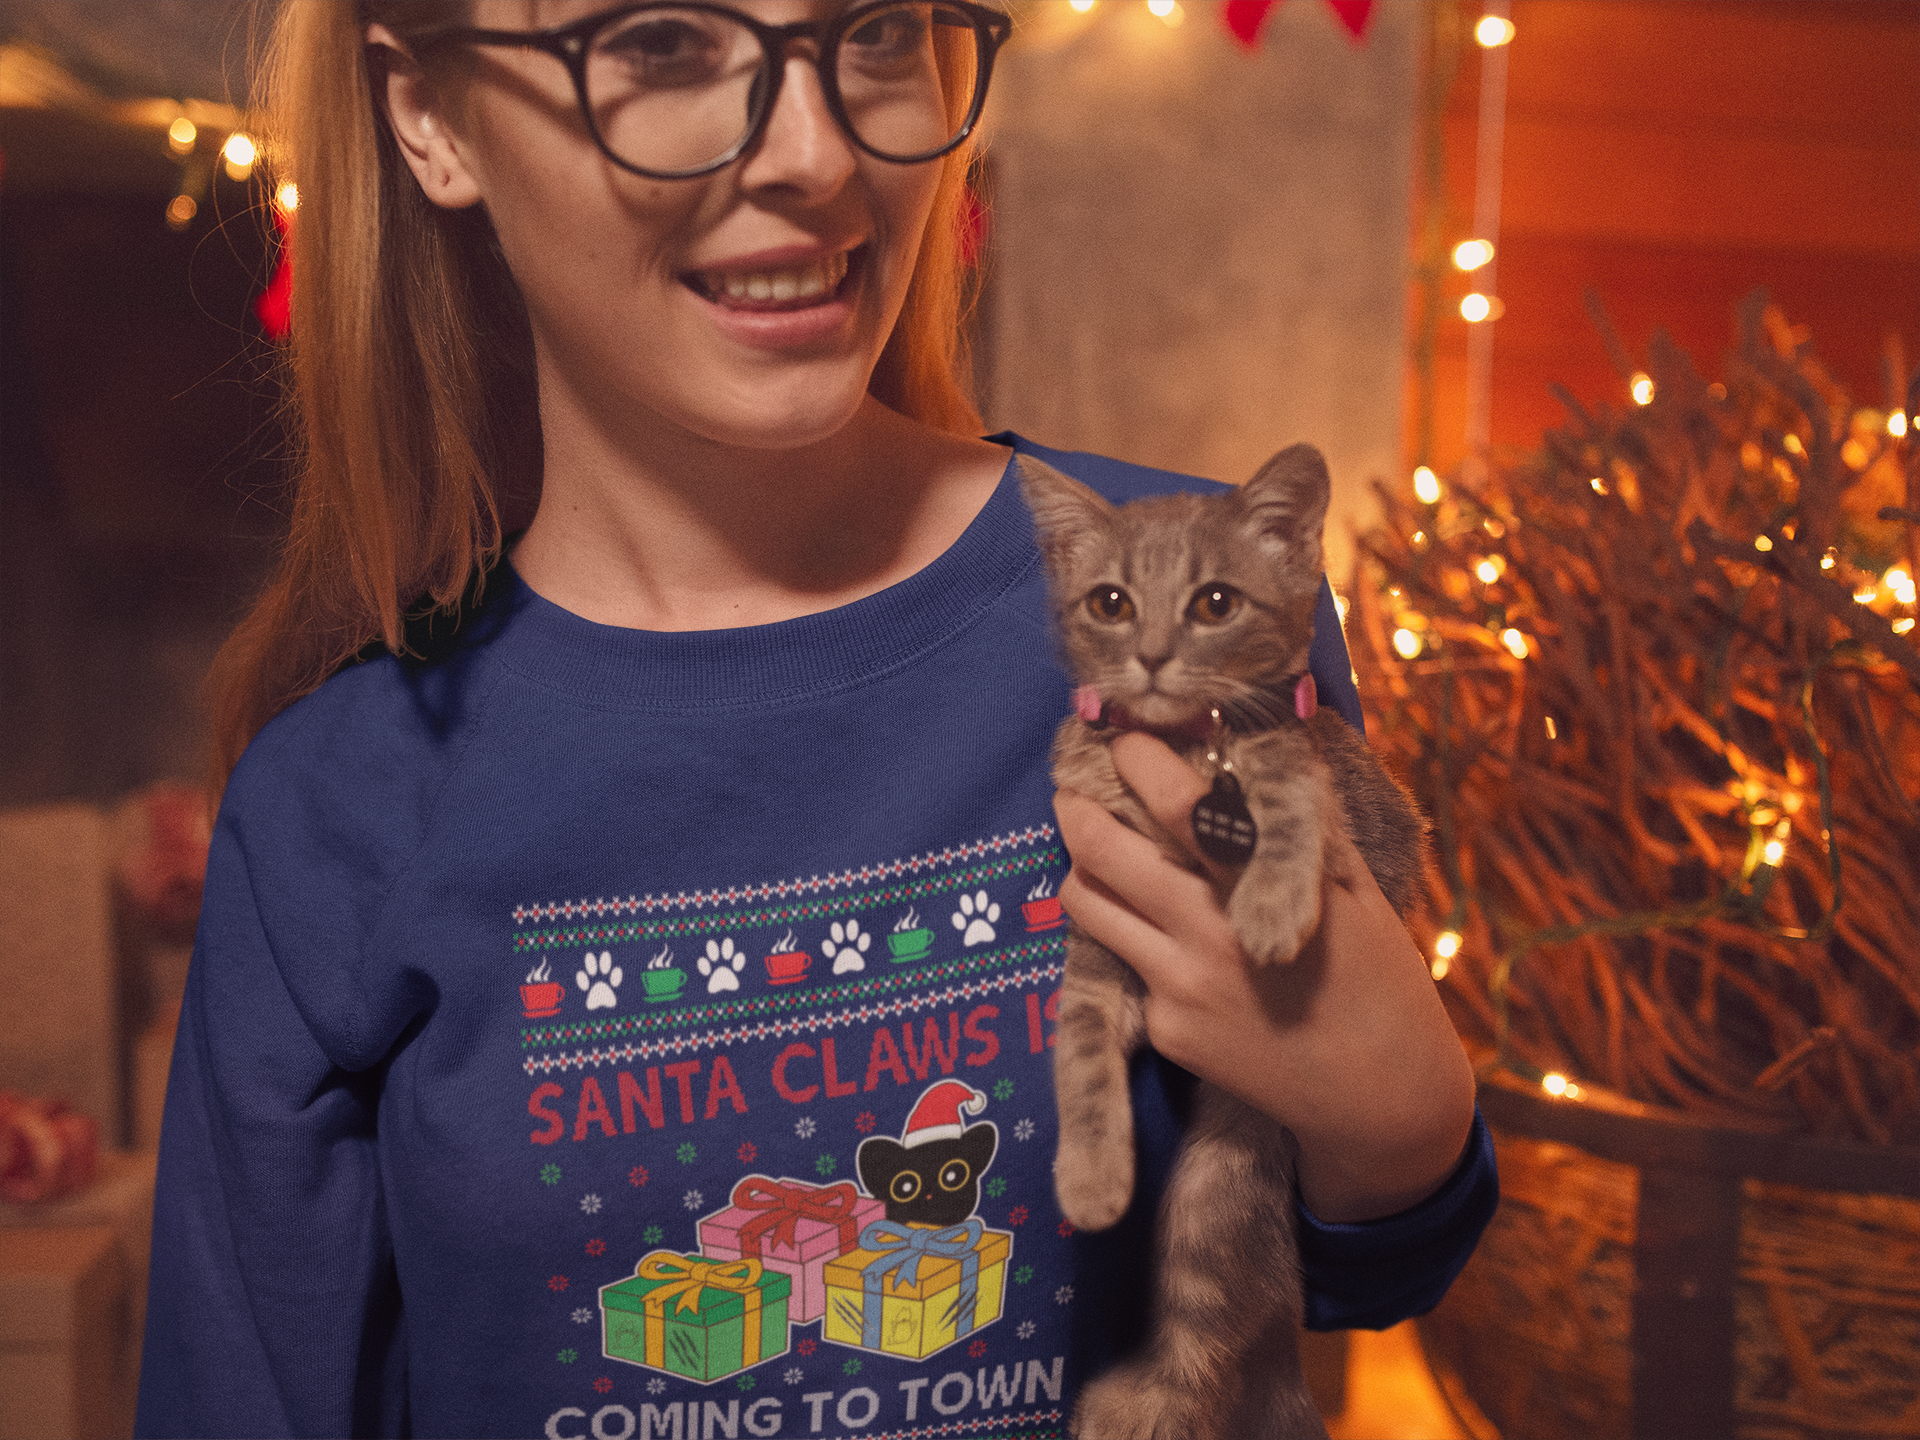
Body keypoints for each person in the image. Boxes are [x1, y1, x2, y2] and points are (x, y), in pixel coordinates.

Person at [137, 3, 1495, 1436]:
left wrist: (1404, 1119)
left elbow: (1321, 1286)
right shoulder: (330, 812)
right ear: (433, 117)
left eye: (878, 27)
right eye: (663, 43)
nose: (817, 152)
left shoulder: (1191, 614)